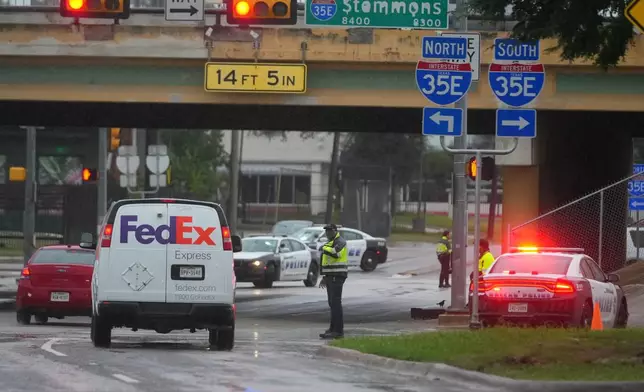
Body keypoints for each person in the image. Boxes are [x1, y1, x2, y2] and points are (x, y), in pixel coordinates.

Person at [318, 223, 348, 340]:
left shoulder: (340, 241)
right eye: (326, 231)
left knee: (335, 303)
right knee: (332, 303)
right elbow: (328, 262)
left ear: (335, 231)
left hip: (338, 275)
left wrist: (324, 248)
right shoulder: (330, 243)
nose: (328, 233)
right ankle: (332, 329)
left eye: (330, 231)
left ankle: (338, 331)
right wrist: (325, 277)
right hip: (331, 276)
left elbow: (335, 253)